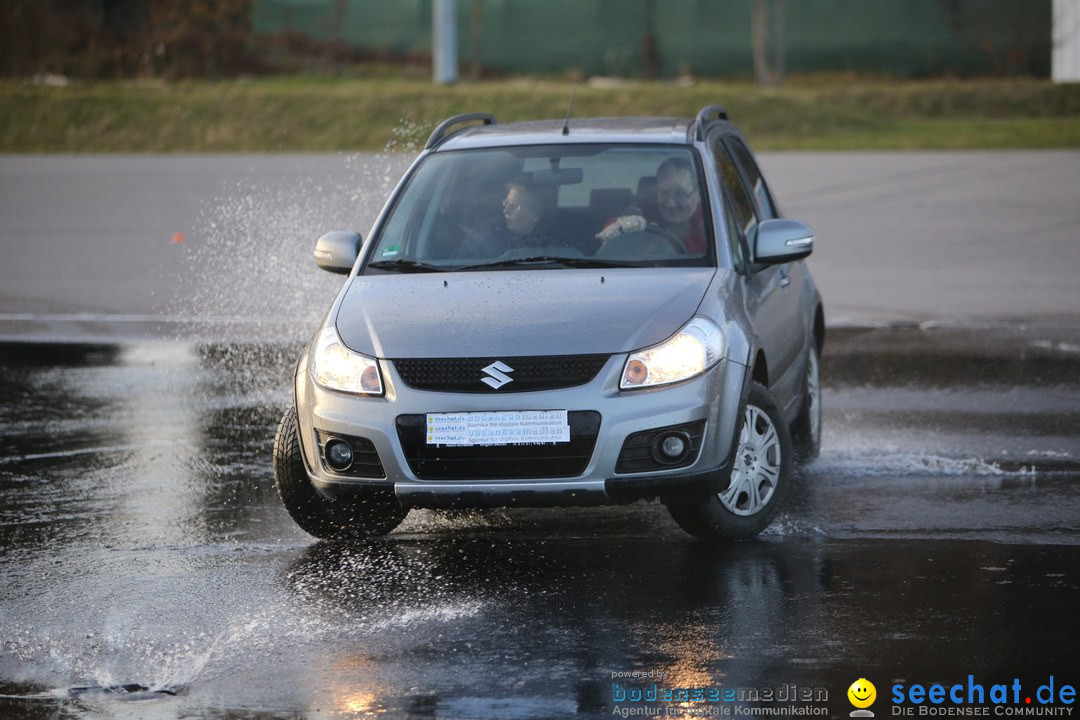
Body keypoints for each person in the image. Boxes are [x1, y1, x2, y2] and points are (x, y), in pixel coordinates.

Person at [595, 157, 707, 253]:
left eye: (680, 194)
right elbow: (621, 222)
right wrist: (622, 226)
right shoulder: (647, 207)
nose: (670, 204)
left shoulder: (712, 221)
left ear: (698, 194)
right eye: (664, 193)